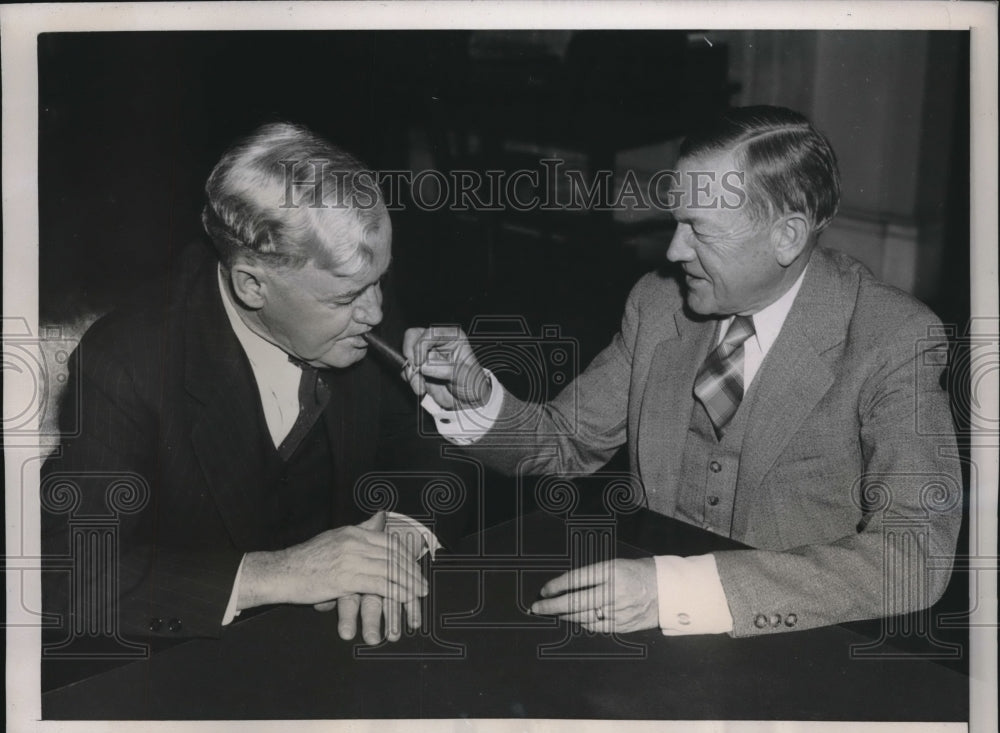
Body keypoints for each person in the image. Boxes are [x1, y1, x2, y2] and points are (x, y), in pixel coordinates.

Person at [403, 105, 962, 637]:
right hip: (645, 622)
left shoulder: (893, 338)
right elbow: (566, 442)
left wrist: (674, 590)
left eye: (700, 230)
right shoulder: (658, 305)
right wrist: (475, 399)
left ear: (787, 237)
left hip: (802, 639)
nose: (673, 250)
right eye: (676, 222)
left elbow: (913, 555)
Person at [42, 122, 438, 647]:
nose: (377, 312)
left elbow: (424, 445)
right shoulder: (127, 363)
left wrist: (397, 542)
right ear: (252, 284)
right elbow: (68, 574)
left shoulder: (353, 300)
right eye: (346, 299)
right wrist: (275, 573)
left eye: (380, 282)